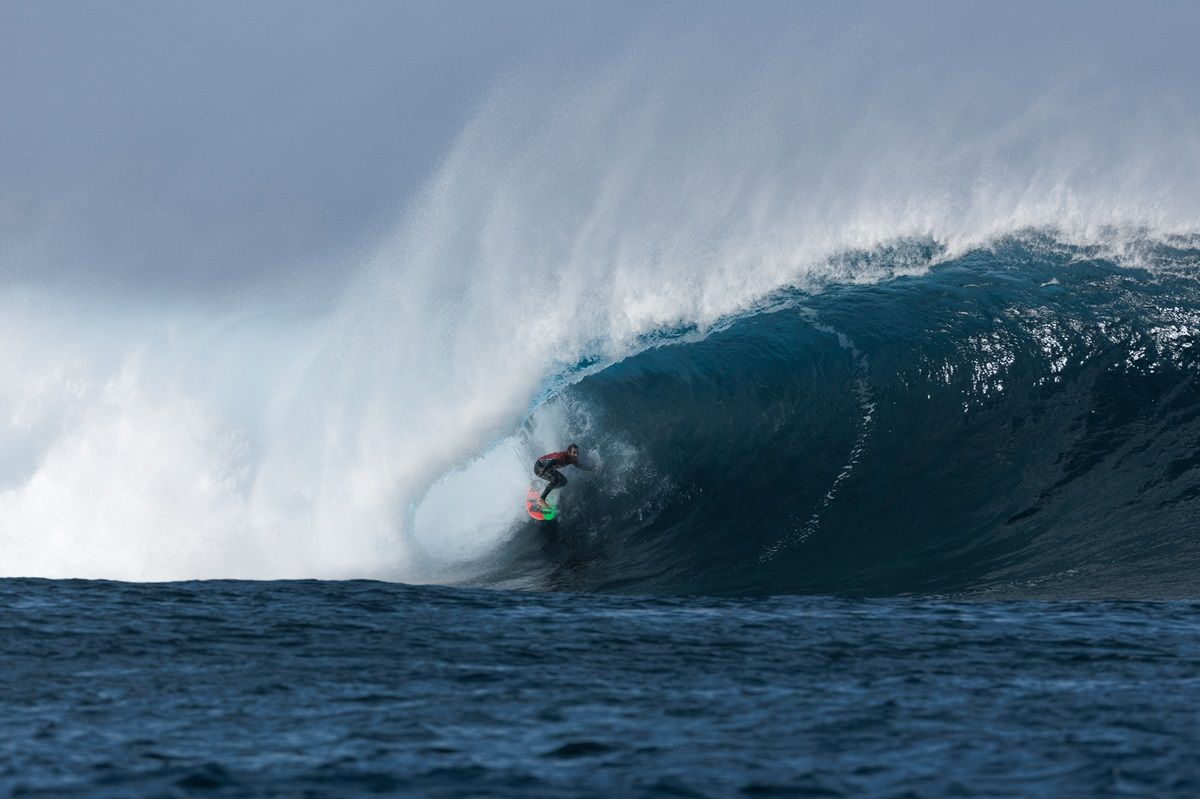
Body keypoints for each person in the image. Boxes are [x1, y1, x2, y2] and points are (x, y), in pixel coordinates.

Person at [533, 443, 593, 510]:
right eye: (574, 452)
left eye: (577, 453)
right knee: (555, 479)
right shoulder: (561, 456)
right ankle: (541, 499)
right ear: (568, 451)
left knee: (563, 481)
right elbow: (552, 462)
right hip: (540, 467)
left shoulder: (573, 459)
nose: (576, 455)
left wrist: (592, 469)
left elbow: (580, 466)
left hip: (548, 468)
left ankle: (547, 489)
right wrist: (543, 470)